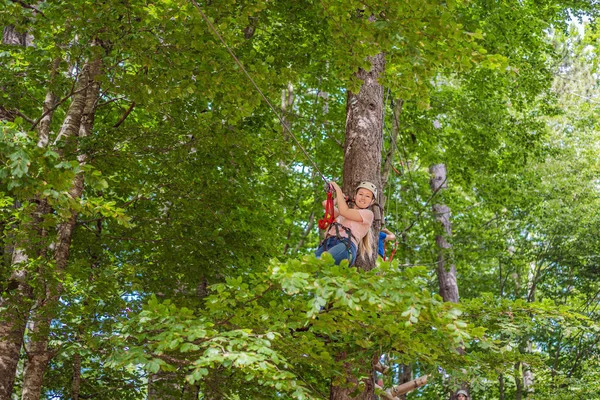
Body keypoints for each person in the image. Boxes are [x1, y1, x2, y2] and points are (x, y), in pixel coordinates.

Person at [315, 181, 376, 266]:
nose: (363, 198)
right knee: (309, 266)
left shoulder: (368, 215)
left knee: (320, 263)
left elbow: (344, 211)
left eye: (367, 196)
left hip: (345, 246)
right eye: (360, 194)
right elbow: (326, 204)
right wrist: (340, 199)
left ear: (372, 201)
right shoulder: (341, 215)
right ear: (355, 196)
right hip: (327, 243)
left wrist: (338, 191)